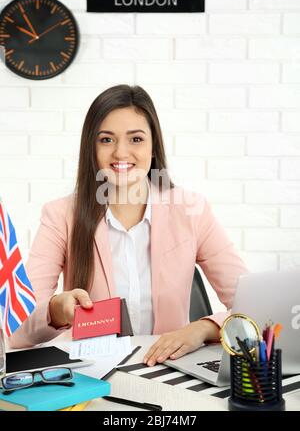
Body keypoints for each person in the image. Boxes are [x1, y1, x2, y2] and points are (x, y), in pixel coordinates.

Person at [9, 85, 247, 367]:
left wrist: (205, 328)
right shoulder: (60, 215)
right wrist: (56, 310)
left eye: (136, 139)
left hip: (169, 369)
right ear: (91, 148)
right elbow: (17, 330)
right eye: (106, 140)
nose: (121, 153)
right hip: (93, 372)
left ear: (153, 146)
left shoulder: (191, 210)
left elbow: (253, 305)